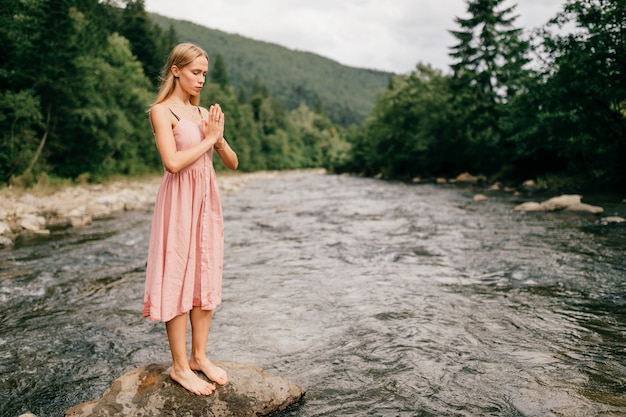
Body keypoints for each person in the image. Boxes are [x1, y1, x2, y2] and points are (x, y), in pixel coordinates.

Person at [143, 43, 238, 396]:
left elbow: (232, 163)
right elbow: (173, 162)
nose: (201, 80)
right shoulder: (161, 111)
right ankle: (180, 366)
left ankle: (199, 356)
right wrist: (208, 138)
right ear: (176, 70)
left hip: (206, 200)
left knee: (205, 272)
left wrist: (219, 139)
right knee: (178, 274)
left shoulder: (202, 114)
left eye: (204, 74)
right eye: (196, 72)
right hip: (178, 200)